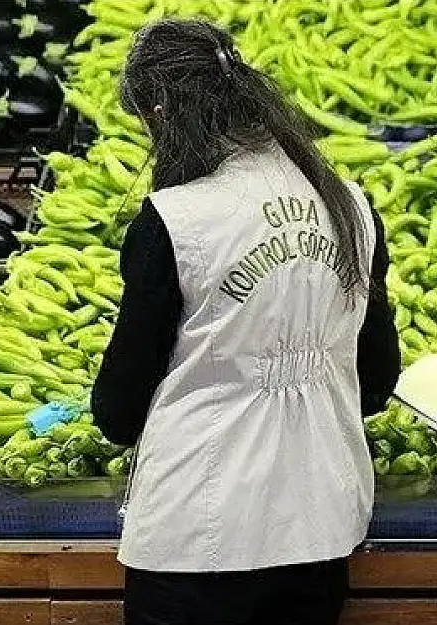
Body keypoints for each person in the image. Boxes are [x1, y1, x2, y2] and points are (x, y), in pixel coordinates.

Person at [89, 19, 401, 625]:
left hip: (197, 538)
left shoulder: (176, 220)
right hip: (320, 529)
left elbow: (118, 410)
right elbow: (378, 380)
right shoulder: (352, 207)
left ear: (162, 113)